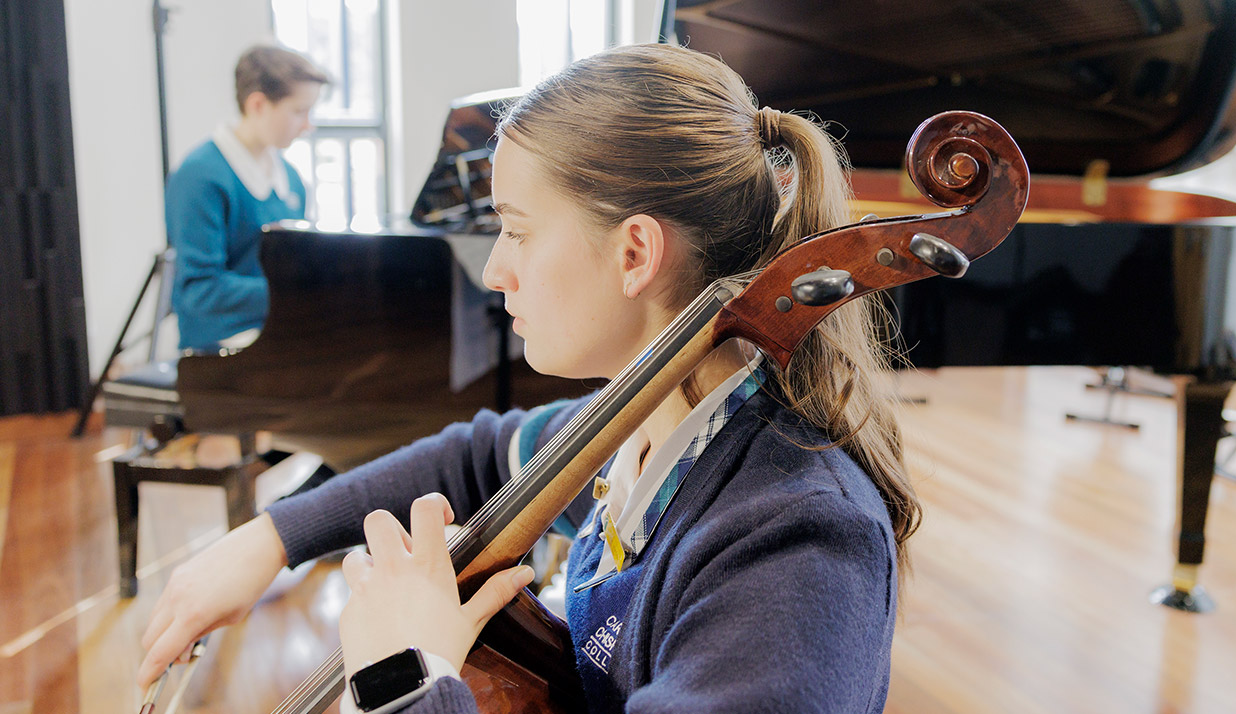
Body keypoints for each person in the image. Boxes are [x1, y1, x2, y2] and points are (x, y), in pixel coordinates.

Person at [136, 43, 916, 713]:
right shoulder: (642, 427)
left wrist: (409, 676)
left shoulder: (797, 548)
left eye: (516, 230)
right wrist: (271, 539)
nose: (497, 271)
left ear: (635, 254)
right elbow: (479, 455)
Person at [168, 44, 327, 352]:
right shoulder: (199, 177)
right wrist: (298, 294)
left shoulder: (291, 179)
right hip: (224, 344)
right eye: (299, 111)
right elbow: (200, 290)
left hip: (279, 328)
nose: (308, 125)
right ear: (257, 105)